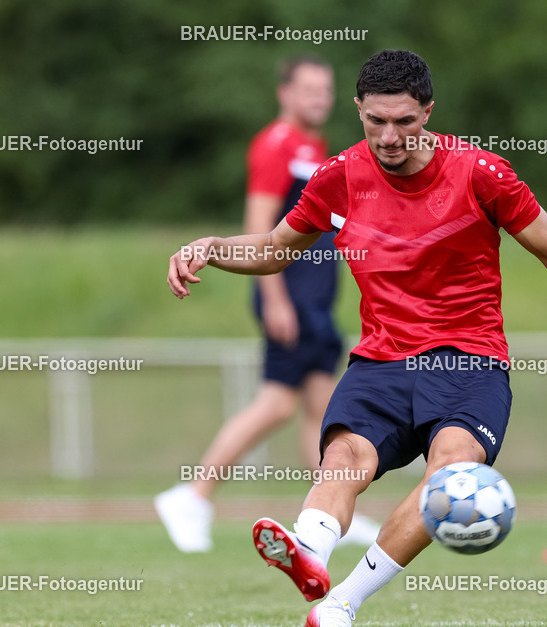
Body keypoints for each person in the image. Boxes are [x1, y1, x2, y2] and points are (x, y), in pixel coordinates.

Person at [166, 49, 547, 627]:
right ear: (358, 110)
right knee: (344, 461)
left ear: (428, 112)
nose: (389, 137)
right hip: (381, 360)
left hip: (468, 360)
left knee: (451, 477)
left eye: (405, 122)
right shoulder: (339, 176)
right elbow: (276, 247)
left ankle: (339, 605)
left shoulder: (481, 173)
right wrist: (212, 247)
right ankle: (307, 551)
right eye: (375, 121)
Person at [156, 54, 379, 553]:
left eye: (326, 90)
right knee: (277, 404)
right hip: (291, 300)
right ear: (285, 94)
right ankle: (193, 494)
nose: (319, 98)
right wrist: (273, 297)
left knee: (323, 413)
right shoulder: (276, 145)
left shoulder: (314, 147)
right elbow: (261, 229)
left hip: (316, 302)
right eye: (309, 90)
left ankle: (330, 513)